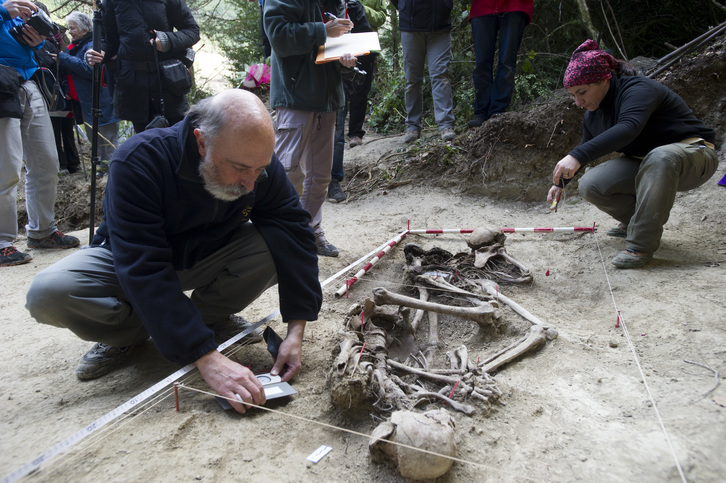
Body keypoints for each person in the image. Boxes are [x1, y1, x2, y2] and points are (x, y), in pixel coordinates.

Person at [26, 89, 322, 414]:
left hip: (205, 256)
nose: (250, 184)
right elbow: (143, 267)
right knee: (48, 292)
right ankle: (127, 336)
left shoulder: (255, 164)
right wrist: (206, 358)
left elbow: (295, 232)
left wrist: (296, 329)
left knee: (275, 241)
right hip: (129, 262)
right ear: (201, 142)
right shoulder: (138, 160)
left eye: (259, 170)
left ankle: (207, 320)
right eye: (239, 169)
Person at [548, 40, 718, 269]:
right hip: (647, 162)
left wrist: (576, 155)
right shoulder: (593, 113)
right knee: (590, 184)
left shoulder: (638, 89)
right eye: (572, 95)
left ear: (604, 79)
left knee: (660, 157)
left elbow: (628, 128)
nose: (578, 102)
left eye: (582, 92)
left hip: (694, 155)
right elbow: (587, 145)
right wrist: (561, 183)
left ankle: (641, 246)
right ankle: (634, 222)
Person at [264, 0, 358, 257]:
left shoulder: (336, 2)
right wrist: (323, 31)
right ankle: (279, 234)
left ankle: (310, 232)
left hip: (327, 98)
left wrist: (345, 58)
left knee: (320, 176)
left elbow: (334, 46)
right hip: (296, 96)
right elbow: (279, 37)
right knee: (288, 170)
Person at [0, 0, 80, 267]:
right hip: (2, 84)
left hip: (28, 81)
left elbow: (33, 49)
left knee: (47, 162)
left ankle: (42, 231)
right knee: (6, 169)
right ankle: (2, 242)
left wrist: (35, 43)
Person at [86, 0, 199, 133]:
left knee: (179, 139)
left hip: (168, 84)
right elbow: (110, 40)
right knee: (144, 142)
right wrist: (99, 52)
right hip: (134, 86)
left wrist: (167, 40)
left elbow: (192, 31)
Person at [57, 11, 119, 163]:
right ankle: (101, 168)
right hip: (86, 103)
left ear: (84, 30)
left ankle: (112, 169)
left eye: (72, 28)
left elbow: (90, 70)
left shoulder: (92, 45)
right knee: (94, 137)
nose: (69, 32)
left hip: (100, 102)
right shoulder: (74, 47)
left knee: (108, 139)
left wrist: (64, 58)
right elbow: (69, 73)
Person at [391, 0, 456, 143]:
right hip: (410, 26)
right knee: (412, 80)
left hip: (440, 27)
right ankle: (412, 126)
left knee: (440, 76)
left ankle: (446, 125)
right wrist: (405, 7)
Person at [328, 0, 373, 204]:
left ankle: (333, 181)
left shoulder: (351, 5)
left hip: (340, 73)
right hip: (307, 78)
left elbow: (365, 36)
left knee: (337, 130)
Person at [467, 0, 532, 128]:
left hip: (515, 5)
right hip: (483, 6)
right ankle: (481, 112)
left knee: (507, 62)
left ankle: (498, 112)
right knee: (481, 64)